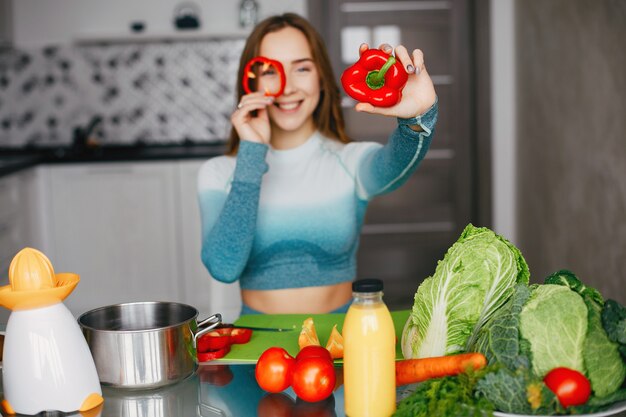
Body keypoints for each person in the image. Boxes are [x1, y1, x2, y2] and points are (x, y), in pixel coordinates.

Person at [197, 13, 438, 315]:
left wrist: (416, 119)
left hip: (342, 344)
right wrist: (251, 153)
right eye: (271, 70)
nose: (287, 87)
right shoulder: (218, 173)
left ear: (321, 77)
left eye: (301, 68)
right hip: (256, 350)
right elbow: (223, 267)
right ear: (251, 81)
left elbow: (397, 163)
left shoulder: (349, 161)